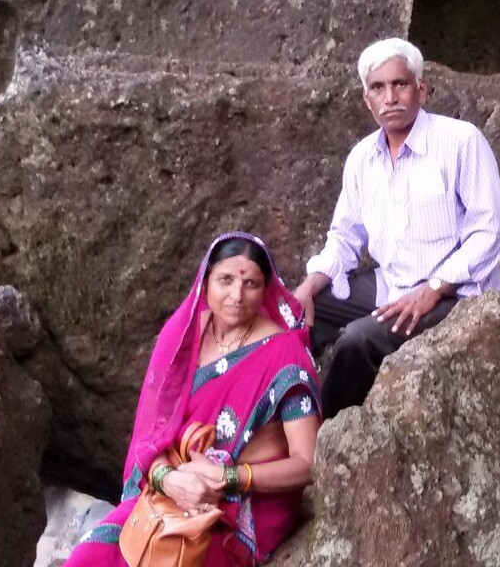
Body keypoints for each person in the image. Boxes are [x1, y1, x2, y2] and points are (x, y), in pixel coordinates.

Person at [65, 231, 321, 567]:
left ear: (265, 289)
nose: (236, 295)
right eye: (225, 280)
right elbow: (151, 435)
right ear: (206, 280)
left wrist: (230, 478)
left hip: (240, 509)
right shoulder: (183, 335)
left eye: (251, 284)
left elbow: (308, 463)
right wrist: (168, 479)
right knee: (91, 556)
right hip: (170, 488)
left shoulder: (285, 356)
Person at [294, 37, 500, 418]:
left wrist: (434, 288)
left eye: (400, 84)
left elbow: (491, 231)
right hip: (391, 284)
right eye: (378, 87)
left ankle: (321, 445)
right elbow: (345, 236)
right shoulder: (363, 157)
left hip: (453, 297)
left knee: (357, 341)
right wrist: (313, 282)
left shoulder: (461, 142)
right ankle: (278, 423)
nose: (390, 97)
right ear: (367, 100)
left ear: (421, 89)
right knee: (293, 314)